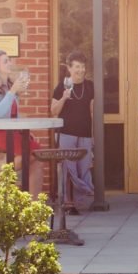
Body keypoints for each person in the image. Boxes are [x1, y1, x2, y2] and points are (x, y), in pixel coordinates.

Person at [0, 48, 44, 194]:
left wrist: (23, 132)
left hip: (10, 131)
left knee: (37, 156)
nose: (10, 63)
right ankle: (2, 178)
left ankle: (34, 204)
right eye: (5, 61)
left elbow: (14, 115)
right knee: (31, 153)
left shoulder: (8, 85)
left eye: (9, 60)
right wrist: (13, 91)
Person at [50, 51, 96, 212]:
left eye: (82, 66)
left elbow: (92, 113)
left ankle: (80, 202)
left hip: (85, 133)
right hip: (65, 132)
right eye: (77, 67)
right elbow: (54, 111)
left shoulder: (90, 86)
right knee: (68, 168)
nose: (81, 70)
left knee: (84, 168)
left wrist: (94, 136)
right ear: (69, 68)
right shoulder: (61, 86)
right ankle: (68, 203)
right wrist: (63, 97)